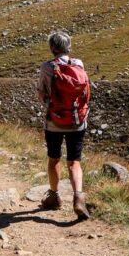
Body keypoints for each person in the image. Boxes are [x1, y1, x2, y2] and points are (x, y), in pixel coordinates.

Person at [36, 30, 91, 220]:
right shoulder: (79, 64)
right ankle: (78, 198)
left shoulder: (47, 67)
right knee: (74, 162)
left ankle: (54, 196)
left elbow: (42, 94)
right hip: (77, 121)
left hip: (54, 121)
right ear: (68, 46)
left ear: (52, 47)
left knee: (54, 159)